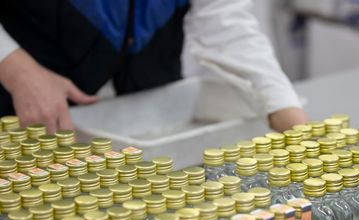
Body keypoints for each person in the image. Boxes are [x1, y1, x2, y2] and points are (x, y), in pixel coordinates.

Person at [0, 0, 308, 133]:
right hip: (23, 107)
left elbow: (225, 23)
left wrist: (286, 111)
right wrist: (16, 69)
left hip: (144, 102)